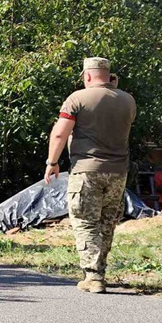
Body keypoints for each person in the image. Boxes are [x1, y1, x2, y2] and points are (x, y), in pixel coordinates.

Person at [44, 57, 136, 294]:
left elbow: (59, 135)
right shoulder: (128, 101)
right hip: (118, 171)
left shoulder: (77, 99)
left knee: (85, 221)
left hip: (86, 171)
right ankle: (100, 271)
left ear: (86, 75)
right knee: (107, 223)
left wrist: (52, 162)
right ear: (109, 75)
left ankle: (93, 276)